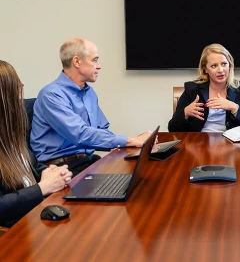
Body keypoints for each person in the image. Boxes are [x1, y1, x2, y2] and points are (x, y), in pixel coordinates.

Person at [31, 38, 152, 176]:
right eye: (94, 60)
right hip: (61, 169)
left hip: (87, 162)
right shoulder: (52, 95)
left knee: (139, 175)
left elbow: (101, 130)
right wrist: (130, 140)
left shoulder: (89, 93)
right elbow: (80, 135)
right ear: (77, 62)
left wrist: (135, 143)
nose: (99, 66)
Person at [0, 60, 73, 227]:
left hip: (33, 217)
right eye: (16, 87)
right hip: (13, 234)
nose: (22, 86)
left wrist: (53, 173)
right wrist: (42, 188)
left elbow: (33, 166)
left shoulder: (11, 137)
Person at [168, 43, 240, 132]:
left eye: (224, 64)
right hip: (200, 142)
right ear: (205, 69)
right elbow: (172, 128)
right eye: (214, 66)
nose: (220, 70)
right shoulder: (192, 89)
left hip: (231, 143)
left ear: (229, 65)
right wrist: (185, 112)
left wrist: (234, 107)